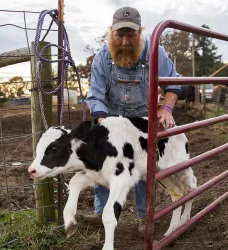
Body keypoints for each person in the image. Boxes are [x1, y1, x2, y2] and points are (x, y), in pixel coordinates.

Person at [84, 6, 180, 237]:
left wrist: (166, 109)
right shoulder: (102, 58)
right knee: (104, 165)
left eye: (131, 35)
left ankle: (143, 216)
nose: (125, 42)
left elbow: (173, 85)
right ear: (111, 33)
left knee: (143, 169)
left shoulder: (156, 52)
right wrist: (104, 124)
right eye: (120, 35)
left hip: (143, 121)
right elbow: (96, 96)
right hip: (112, 119)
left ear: (140, 33)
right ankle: (104, 214)